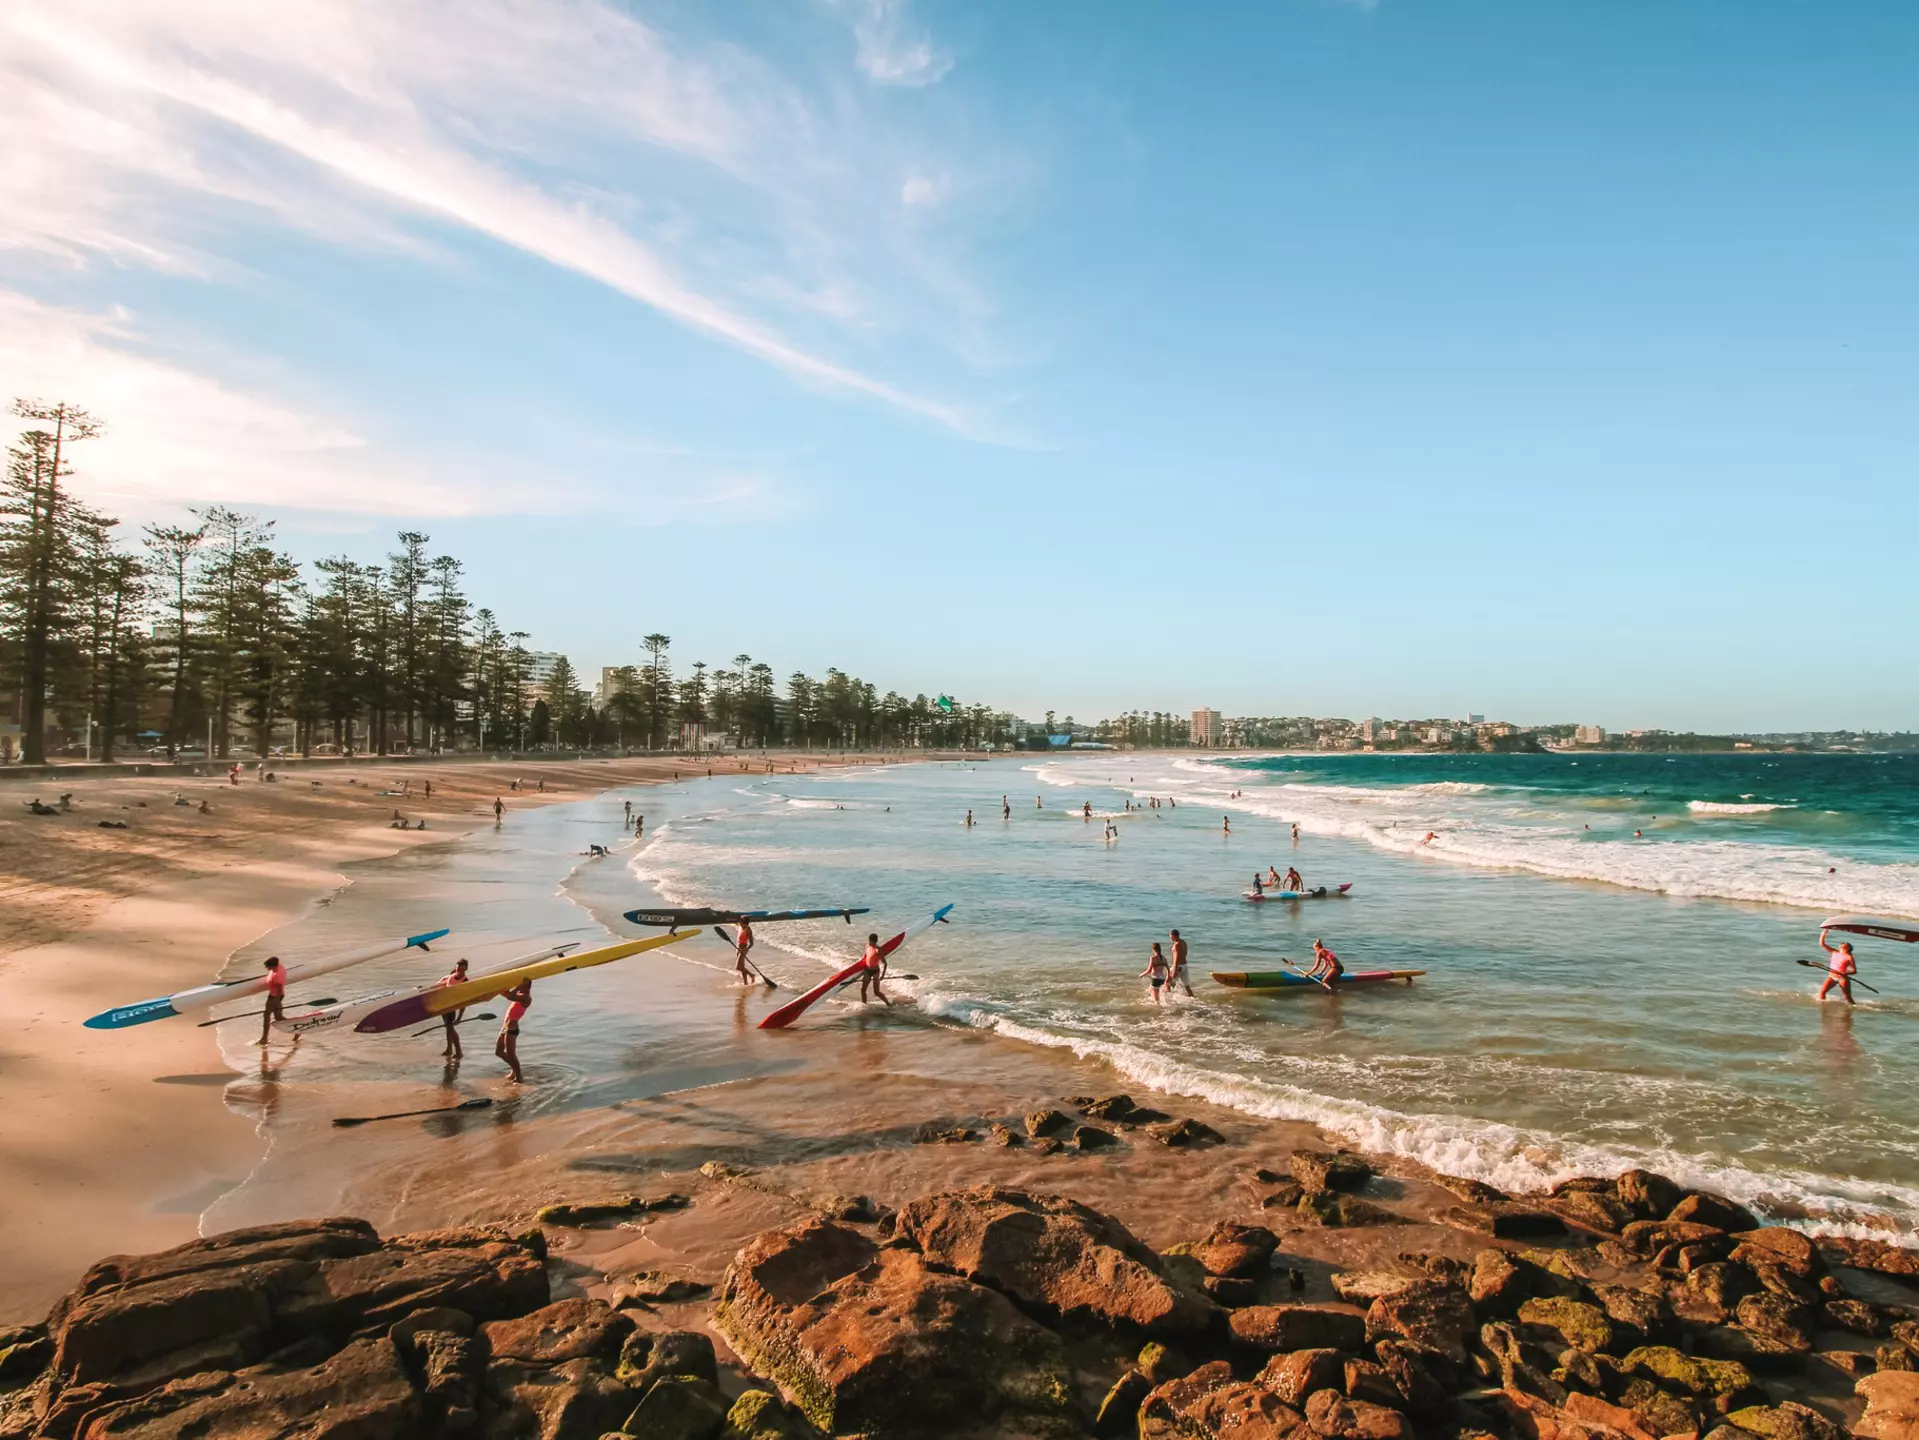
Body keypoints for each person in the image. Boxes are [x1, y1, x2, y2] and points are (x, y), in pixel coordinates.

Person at [496, 980, 532, 1081]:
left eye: (521, 984)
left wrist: (517, 987)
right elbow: (505, 993)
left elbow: (510, 996)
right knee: (498, 1052)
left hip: (511, 1029)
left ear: (527, 986)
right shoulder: (519, 995)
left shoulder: (526, 998)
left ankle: (518, 1077)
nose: (519, 986)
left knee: (511, 1054)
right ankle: (514, 1071)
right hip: (504, 1028)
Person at [437, 958, 470, 1057]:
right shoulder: (451, 976)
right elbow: (440, 984)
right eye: (457, 969)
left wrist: (459, 1017)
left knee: (450, 1028)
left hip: (452, 1007)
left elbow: (464, 1001)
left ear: (466, 969)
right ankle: (449, 1049)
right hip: (444, 1006)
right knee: (448, 1028)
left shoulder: (465, 981)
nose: (459, 972)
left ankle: (459, 1052)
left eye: (461, 970)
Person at [1818, 930, 1858, 1005]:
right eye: (1842, 944)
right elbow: (1822, 944)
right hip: (1832, 976)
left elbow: (1854, 971)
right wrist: (1823, 933)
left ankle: (1854, 1006)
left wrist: (1844, 973)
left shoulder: (1849, 957)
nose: (1842, 944)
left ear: (1848, 948)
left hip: (1842, 978)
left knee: (1847, 997)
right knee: (1822, 992)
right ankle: (1823, 1007)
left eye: (1845, 944)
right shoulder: (1835, 952)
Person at [257, 956, 287, 1046]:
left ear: (273, 966)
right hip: (278, 995)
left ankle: (264, 1039)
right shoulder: (280, 966)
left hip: (274, 997)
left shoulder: (276, 976)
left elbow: (278, 990)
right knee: (279, 1018)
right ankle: (296, 1030)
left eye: (268, 967)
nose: (266, 968)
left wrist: (277, 1002)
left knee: (266, 1015)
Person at [857, 932, 891, 1006]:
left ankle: (888, 1003)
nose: (868, 942)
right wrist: (860, 970)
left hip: (875, 971)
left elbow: (885, 963)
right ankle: (864, 1005)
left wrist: (882, 976)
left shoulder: (878, 950)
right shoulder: (867, 947)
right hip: (867, 970)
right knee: (863, 990)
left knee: (876, 992)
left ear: (873, 941)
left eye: (870, 941)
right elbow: (865, 957)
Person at [1168, 929, 1193, 996]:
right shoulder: (1183, 942)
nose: (1170, 938)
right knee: (1187, 987)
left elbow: (1176, 959)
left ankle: (1167, 1001)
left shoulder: (1176, 945)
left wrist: (1174, 971)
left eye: (1170, 936)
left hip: (1178, 967)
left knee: (1169, 984)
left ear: (1173, 935)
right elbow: (1185, 953)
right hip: (1185, 966)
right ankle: (1193, 999)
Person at [734, 919, 758, 986]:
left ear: (745, 924)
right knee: (742, 966)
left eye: (740, 922)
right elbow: (735, 921)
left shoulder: (748, 930)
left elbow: (751, 943)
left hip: (744, 949)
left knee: (738, 967)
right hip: (737, 947)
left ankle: (752, 975)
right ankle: (745, 983)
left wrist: (745, 949)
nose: (739, 923)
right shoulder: (739, 926)